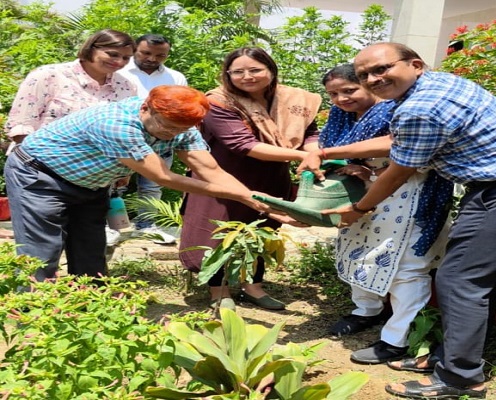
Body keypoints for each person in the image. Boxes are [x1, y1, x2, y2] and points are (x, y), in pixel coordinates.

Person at [298, 42, 496, 399]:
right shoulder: (433, 85)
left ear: (415, 64)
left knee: (460, 280)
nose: (373, 79)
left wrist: (359, 208)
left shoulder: (421, 108)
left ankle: (460, 379)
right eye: (365, 74)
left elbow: (399, 169)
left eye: (381, 69)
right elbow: (398, 140)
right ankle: (451, 359)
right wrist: (327, 150)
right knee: (471, 280)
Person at [4, 85, 293, 284]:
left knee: (90, 246)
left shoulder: (183, 126)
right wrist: (240, 196)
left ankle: (90, 303)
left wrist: (257, 200)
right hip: (39, 176)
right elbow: (162, 178)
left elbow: (211, 171)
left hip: (90, 183)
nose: (171, 134)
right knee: (41, 248)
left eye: (180, 130)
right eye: (166, 126)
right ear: (146, 107)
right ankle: (34, 312)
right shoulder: (116, 123)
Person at [316, 64, 452, 365]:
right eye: (333, 94)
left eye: (349, 90)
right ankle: (366, 310)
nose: (341, 99)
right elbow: (337, 151)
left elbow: (420, 156)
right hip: (366, 195)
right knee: (358, 250)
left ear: (368, 87)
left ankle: (396, 339)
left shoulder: (398, 111)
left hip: (410, 193)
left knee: (407, 266)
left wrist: (375, 170)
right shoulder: (344, 117)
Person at [179, 47, 321, 311]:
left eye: (255, 70)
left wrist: (315, 153)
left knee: (262, 230)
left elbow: (310, 133)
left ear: (271, 70)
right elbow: (243, 144)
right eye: (238, 72)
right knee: (218, 232)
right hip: (222, 176)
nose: (247, 76)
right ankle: (219, 291)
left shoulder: (294, 100)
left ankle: (253, 287)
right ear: (227, 75)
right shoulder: (218, 101)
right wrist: (302, 157)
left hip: (271, 175)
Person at [4, 29, 137, 247]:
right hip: (41, 174)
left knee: (90, 251)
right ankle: (34, 283)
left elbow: (126, 131)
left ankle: (89, 283)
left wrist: (125, 171)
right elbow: (21, 126)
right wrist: (40, 167)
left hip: (95, 179)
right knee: (41, 251)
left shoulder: (125, 86)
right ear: (91, 48)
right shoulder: (49, 75)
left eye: (126, 58)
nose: (119, 61)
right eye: (112, 54)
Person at [117, 34, 188, 244]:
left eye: (160, 55)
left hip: (161, 137)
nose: (152, 58)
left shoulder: (176, 77)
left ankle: (146, 225)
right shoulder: (118, 72)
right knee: (114, 183)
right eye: (146, 53)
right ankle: (111, 226)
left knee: (153, 183)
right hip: (122, 136)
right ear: (135, 50)